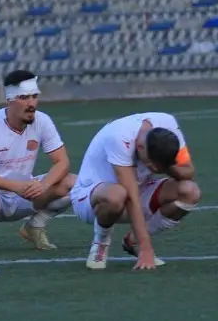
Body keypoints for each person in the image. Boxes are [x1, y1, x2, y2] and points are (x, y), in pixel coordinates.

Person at [0, 70, 75, 255]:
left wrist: (44, 185)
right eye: (24, 97)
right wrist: (14, 186)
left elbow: (62, 162)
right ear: (9, 100)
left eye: (34, 96)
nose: (31, 104)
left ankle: (35, 226)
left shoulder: (42, 121)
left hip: (24, 197)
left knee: (75, 183)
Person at [69, 112, 200, 271]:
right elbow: (131, 196)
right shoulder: (119, 137)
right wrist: (147, 249)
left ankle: (133, 241)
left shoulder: (169, 126)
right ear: (139, 147)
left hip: (136, 193)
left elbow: (188, 171)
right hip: (91, 199)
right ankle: (101, 242)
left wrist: (167, 167)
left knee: (190, 191)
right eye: (150, 164)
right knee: (117, 194)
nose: (154, 170)